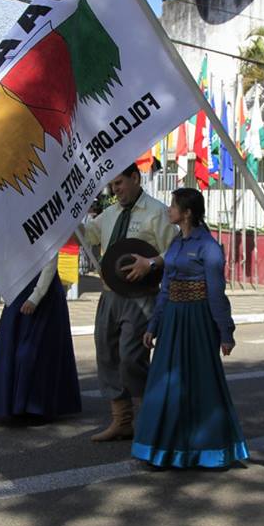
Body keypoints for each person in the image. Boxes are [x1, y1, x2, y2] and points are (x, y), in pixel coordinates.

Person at [133, 188, 248, 469]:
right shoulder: (175, 243)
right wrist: (154, 325)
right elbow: (166, 288)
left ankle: (208, 451)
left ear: (187, 213)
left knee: (201, 384)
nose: (168, 210)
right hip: (172, 319)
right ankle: (163, 450)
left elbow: (216, 293)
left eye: (173, 206)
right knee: (165, 382)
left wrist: (225, 332)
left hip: (198, 321)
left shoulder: (209, 247)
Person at [82, 163, 178, 442]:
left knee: (131, 357)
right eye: (112, 185)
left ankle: (149, 417)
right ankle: (122, 420)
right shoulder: (110, 213)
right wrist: (70, 218)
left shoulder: (157, 212)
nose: (115, 190)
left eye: (119, 183)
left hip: (140, 297)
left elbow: (175, 249)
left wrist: (150, 263)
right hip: (109, 293)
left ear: (135, 178)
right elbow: (88, 235)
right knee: (106, 353)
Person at [0, 255, 81, 421]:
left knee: (37, 351)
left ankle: (36, 406)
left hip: (43, 294)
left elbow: (50, 261)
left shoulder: (48, 229)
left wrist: (36, 296)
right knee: (11, 348)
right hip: (18, 289)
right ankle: (13, 405)